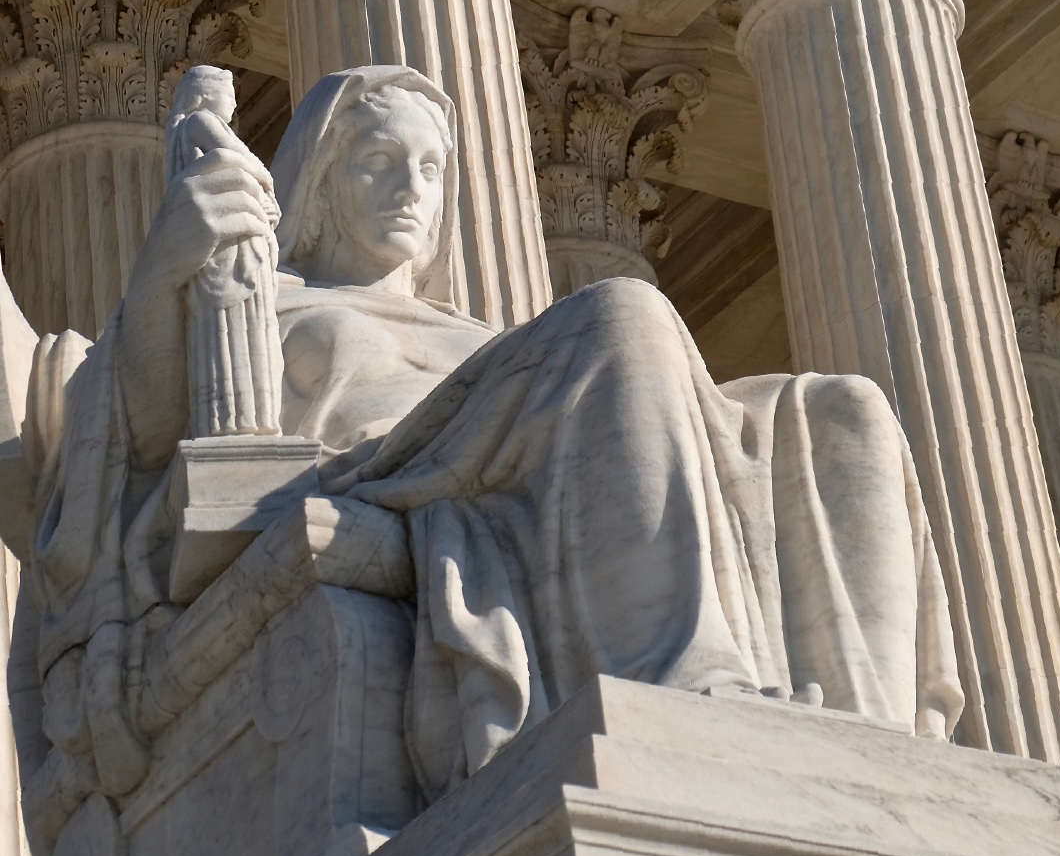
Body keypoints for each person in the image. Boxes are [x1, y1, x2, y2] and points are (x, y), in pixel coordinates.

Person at [15, 64, 963, 816]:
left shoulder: (485, 339)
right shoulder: (266, 300)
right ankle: (684, 686)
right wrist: (165, 275)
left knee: (845, 412)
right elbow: (121, 449)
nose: (408, 190)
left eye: (429, 169)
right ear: (317, 176)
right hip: (377, 473)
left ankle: (873, 758)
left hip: (504, 466)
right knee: (622, 315)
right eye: (377, 161)